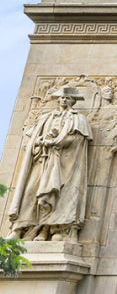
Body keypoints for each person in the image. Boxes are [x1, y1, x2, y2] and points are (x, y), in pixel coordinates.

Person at [7, 86, 93, 242]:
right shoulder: (46, 118)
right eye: (61, 97)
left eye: (67, 98)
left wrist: (57, 142)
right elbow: (32, 140)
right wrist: (41, 142)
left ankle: (50, 230)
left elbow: (78, 141)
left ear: (73, 101)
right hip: (42, 160)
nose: (63, 100)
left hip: (64, 163)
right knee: (31, 191)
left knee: (58, 195)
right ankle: (20, 229)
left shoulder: (78, 119)